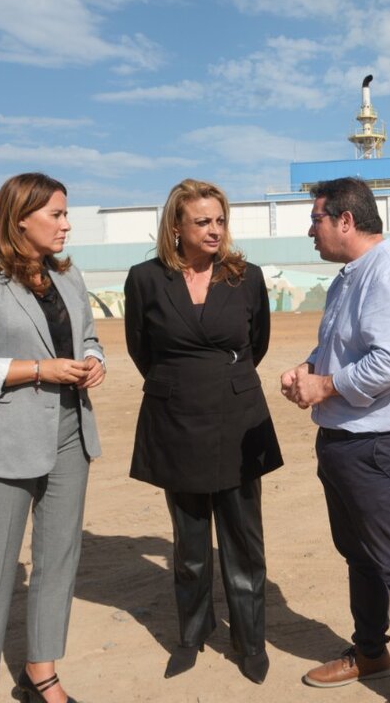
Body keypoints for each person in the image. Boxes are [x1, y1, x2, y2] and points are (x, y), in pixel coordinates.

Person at [0, 172, 106, 703]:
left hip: (70, 434)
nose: (66, 224)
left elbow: (89, 337)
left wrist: (94, 360)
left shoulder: (68, 278)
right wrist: (38, 370)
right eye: (55, 214)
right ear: (20, 218)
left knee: (58, 560)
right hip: (0, 443)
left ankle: (41, 673)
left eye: (65, 213)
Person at [280, 177, 390, 703]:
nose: (311, 231)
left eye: (316, 219)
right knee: (361, 557)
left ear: (345, 221)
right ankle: (371, 652)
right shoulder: (350, 278)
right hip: (345, 439)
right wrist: (309, 368)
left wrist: (324, 385)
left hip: (381, 443)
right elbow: (345, 345)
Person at [124, 179, 283, 684]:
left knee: (243, 539)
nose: (214, 230)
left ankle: (250, 641)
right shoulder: (145, 279)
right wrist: (181, 382)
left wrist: (222, 379)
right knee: (190, 544)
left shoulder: (246, 277)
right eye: (202, 222)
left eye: (219, 221)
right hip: (175, 420)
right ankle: (192, 634)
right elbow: (140, 349)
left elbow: (256, 343)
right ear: (177, 227)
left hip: (237, 419)